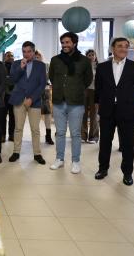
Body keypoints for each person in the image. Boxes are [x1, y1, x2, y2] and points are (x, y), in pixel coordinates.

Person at [94, 37, 134, 186]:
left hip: (128, 112)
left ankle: (127, 173)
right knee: (105, 143)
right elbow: (98, 89)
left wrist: (133, 103)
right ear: (113, 48)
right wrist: (100, 105)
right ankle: (102, 169)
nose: (123, 49)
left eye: (126, 46)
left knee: (128, 144)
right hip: (107, 111)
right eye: (120, 46)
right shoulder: (102, 67)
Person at [49, 32, 92, 174]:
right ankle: (59, 159)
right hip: (58, 101)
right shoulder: (55, 60)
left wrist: (75, 89)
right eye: (62, 43)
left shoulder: (84, 61)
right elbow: (52, 78)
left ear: (74, 43)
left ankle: (76, 161)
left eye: (67, 42)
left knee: (75, 134)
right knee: (60, 133)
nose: (64, 45)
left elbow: (88, 80)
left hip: (76, 102)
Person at [7, 42, 47, 164]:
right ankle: (16, 152)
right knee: (18, 128)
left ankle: (37, 154)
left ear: (34, 52)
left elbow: (42, 84)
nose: (26, 54)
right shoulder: (16, 64)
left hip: (34, 101)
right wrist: (21, 68)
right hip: (19, 99)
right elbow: (12, 80)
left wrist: (32, 99)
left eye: (29, 51)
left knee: (35, 129)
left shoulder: (41, 65)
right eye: (24, 51)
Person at [35, 50, 54, 145]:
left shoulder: (46, 65)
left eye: (38, 56)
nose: (37, 58)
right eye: (35, 57)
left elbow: (51, 77)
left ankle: (48, 136)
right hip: (35, 92)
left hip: (46, 91)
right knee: (35, 114)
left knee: (47, 113)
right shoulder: (30, 66)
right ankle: (36, 136)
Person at [82, 49, 99, 144]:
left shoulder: (99, 67)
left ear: (95, 56)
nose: (92, 56)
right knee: (82, 114)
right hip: (84, 91)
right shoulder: (83, 67)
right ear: (86, 56)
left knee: (94, 115)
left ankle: (93, 137)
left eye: (93, 54)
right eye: (89, 55)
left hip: (95, 91)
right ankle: (83, 136)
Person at [2, 51, 15, 142]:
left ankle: (11, 135)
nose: (10, 57)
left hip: (14, 95)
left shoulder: (17, 66)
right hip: (3, 95)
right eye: (8, 55)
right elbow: (1, 79)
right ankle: (2, 135)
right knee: (2, 116)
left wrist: (8, 78)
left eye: (11, 56)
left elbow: (17, 79)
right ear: (5, 57)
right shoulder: (1, 66)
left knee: (13, 116)